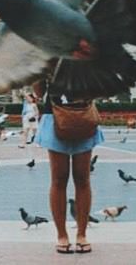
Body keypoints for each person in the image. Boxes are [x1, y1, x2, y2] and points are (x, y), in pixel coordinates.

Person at [33, 80, 104, 254]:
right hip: (55, 115)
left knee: (82, 178)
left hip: (83, 114)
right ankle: (62, 235)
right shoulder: (48, 54)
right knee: (59, 178)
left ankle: (81, 234)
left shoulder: (88, 53)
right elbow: (39, 91)